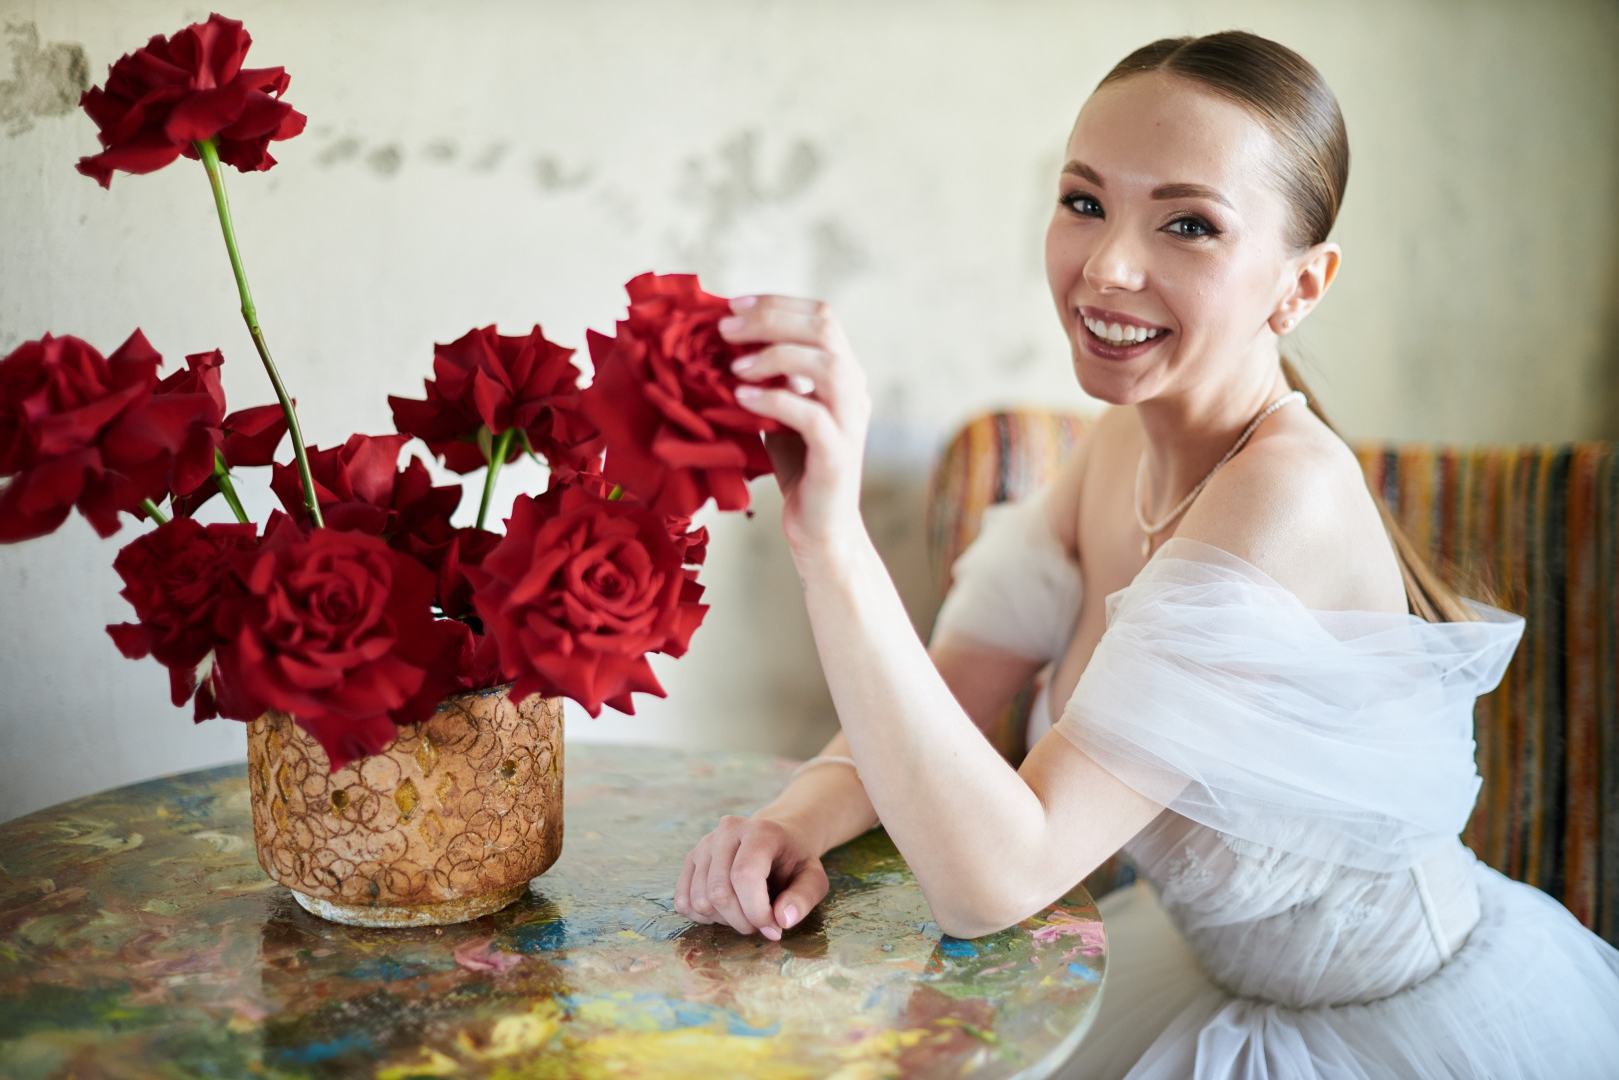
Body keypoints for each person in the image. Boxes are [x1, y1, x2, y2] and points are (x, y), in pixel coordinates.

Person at [673, 30, 1619, 1078]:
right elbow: (945, 696)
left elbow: (996, 879)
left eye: (1188, 224)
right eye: (1085, 202)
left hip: (1393, 1026)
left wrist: (830, 539)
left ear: (1301, 286)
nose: (1109, 265)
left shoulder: (1286, 495)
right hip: (1203, 976)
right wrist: (792, 822)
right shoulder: (1119, 446)